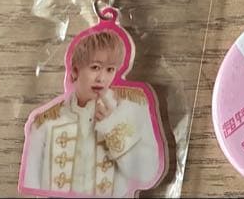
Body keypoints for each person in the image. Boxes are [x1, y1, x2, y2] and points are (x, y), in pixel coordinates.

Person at [21, 29, 163, 196]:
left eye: (110, 69)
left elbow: (146, 173)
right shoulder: (45, 123)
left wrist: (114, 126)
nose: (101, 78)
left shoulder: (132, 108)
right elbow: (31, 184)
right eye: (95, 67)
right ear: (75, 71)